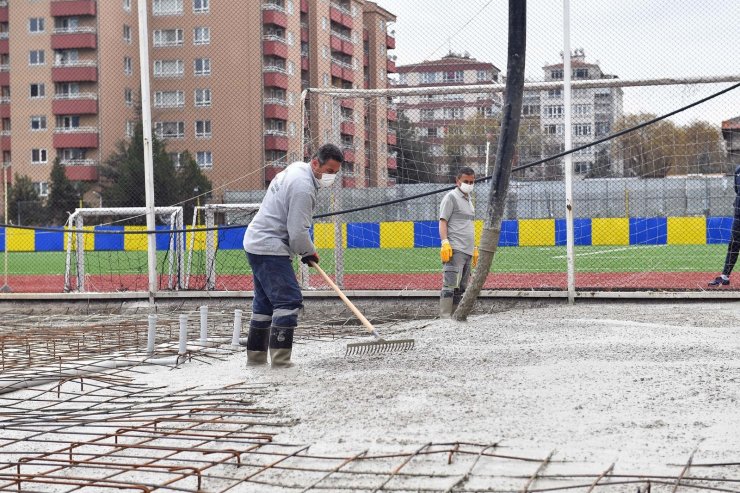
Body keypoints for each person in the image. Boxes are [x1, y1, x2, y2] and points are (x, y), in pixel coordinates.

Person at [243, 144, 344, 367]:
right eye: (329, 171)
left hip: (256, 242)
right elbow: (297, 232)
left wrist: (304, 250)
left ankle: (256, 359)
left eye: (335, 173)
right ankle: (280, 362)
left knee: (264, 304)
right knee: (288, 301)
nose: (331, 177)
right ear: (315, 163)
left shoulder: (297, 168)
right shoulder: (303, 187)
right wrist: (309, 252)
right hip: (270, 246)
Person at [439, 167, 479, 318]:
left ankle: (455, 317)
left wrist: (474, 247)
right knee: (449, 285)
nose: (469, 184)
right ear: (457, 181)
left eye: (471, 182)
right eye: (466, 181)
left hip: (468, 250)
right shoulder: (451, 198)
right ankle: (445, 318)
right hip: (455, 249)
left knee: (461, 287)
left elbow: (469, 226)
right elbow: (443, 222)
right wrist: (445, 242)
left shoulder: (469, 200)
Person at [709, 164, 740, 287]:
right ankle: (725, 276)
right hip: (739, 212)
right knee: (733, 244)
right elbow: (736, 189)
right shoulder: (738, 169)